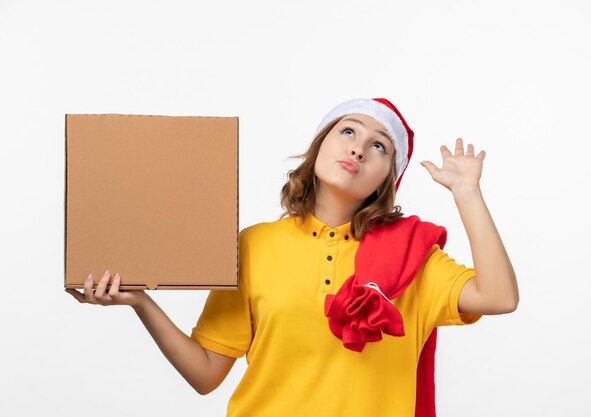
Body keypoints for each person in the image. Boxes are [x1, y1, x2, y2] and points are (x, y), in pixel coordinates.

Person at [66, 97, 519, 417]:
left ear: (388, 179)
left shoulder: (412, 258)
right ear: (320, 146)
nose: (359, 147)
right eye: (348, 131)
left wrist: (467, 194)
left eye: (379, 145)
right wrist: (142, 301)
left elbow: (498, 296)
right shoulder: (254, 245)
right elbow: (205, 374)